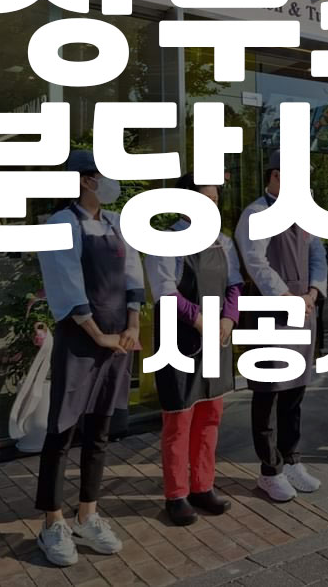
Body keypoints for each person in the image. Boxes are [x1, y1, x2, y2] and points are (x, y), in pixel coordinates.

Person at [34, 150, 142, 567]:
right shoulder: (60, 224)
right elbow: (66, 284)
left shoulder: (116, 223)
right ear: (84, 180)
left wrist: (132, 325)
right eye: (104, 174)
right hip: (81, 339)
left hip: (118, 338)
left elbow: (133, 274)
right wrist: (98, 334)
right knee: (62, 430)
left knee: (99, 428)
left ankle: (87, 515)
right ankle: (52, 523)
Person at [145, 176, 243, 526]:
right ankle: (176, 495)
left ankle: (203, 486)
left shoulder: (223, 242)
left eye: (215, 200)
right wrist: (200, 320)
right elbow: (164, 291)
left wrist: (229, 319)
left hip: (216, 338)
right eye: (205, 200)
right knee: (179, 419)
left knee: (210, 415)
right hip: (180, 340)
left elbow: (234, 285)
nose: (212, 206)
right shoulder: (165, 241)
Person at [234, 152, 328, 503]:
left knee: (295, 390)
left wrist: (313, 291)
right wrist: (288, 296)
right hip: (271, 311)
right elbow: (255, 262)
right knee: (268, 392)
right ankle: (269, 470)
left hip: (303, 309)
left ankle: (291, 460)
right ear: (276, 176)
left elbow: (318, 255)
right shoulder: (256, 214)